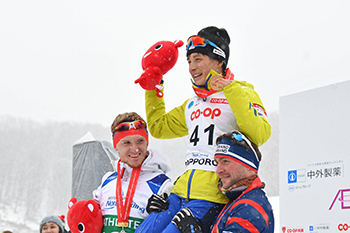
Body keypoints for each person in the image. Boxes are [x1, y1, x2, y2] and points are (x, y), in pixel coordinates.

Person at [136, 26, 271, 233]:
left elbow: (260, 134)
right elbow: (158, 127)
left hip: (211, 197)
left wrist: (230, 89)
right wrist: (155, 88)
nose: (191, 67)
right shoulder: (192, 104)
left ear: (219, 61)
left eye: (198, 59)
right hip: (179, 193)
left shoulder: (241, 93)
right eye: (189, 61)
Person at [171, 131, 274, 233]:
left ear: (248, 166)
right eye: (217, 163)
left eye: (225, 161)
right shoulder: (235, 200)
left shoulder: (250, 208)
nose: (218, 170)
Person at [93, 112, 173, 233]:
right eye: (126, 143)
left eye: (140, 141)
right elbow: (90, 221)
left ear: (147, 142)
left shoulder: (162, 184)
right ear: (116, 146)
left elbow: (172, 226)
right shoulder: (107, 180)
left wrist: (158, 217)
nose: (135, 149)